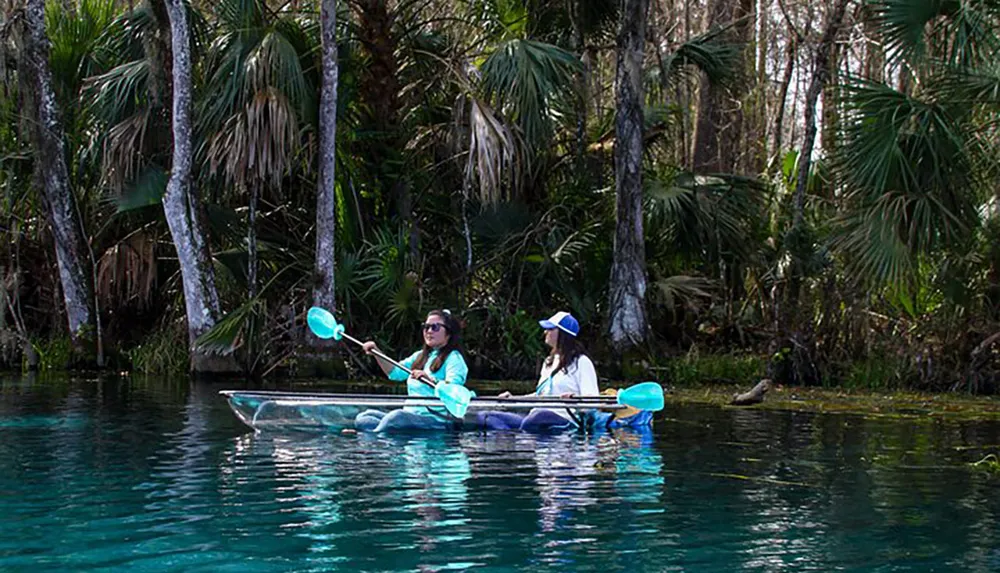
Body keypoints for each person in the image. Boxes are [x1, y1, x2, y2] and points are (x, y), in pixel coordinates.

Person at [477, 311, 599, 432]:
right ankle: (512, 439)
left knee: (538, 417)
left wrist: (575, 399)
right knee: (485, 416)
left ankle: (521, 436)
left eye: (550, 329)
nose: (545, 332)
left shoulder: (582, 362)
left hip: (564, 419)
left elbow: (592, 400)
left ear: (562, 334)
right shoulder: (548, 362)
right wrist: (513, 399)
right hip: (534, 419)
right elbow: (540, 395)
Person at [354, 309, 469, 432]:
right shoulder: (420, 356)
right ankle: (376, 433)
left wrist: (430, 380)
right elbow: (394, 373)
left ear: (449, 333)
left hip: (436, 420)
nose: (429, 331)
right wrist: (376, 352)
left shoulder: (454, 358)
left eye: (435, 327)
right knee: (364, 417)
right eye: (426, 327)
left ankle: (373, 436)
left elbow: (455, 392)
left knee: (397, 417)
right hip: (409, 417)